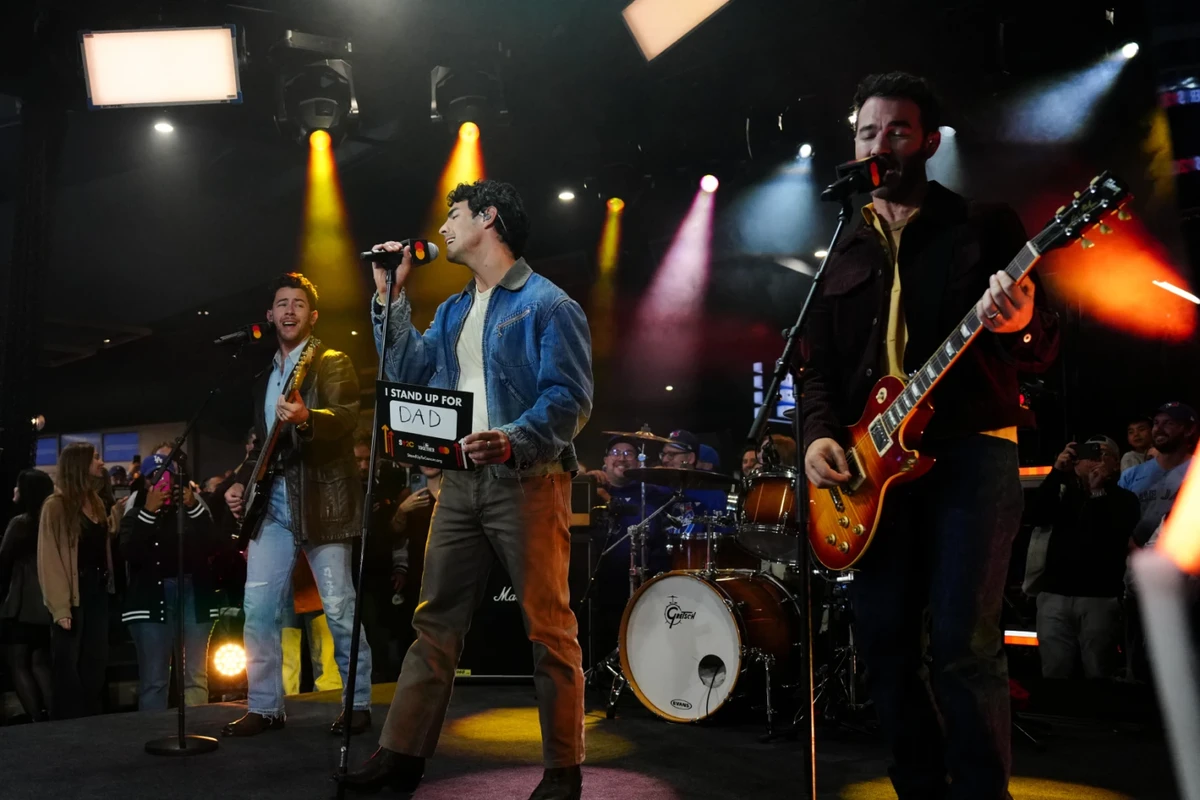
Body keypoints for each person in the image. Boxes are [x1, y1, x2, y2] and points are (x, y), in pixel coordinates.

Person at [800, 72, 1059, 800]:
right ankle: (919, 787)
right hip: (872, 469)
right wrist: (822, 435)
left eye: (897, 131)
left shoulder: (983, 225)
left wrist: (1018, 321)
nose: (879, 143)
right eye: (866, 132)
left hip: (971, 450)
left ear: (931, 142)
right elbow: (813, 365)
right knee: (881, 642)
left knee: (962, 645)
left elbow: (1044, 343)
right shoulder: (843, 244)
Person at [345, 179, 592, 800]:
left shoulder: (548, 305)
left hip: (527, 480)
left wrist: (511, 438)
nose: (444, 228)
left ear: (489, 219)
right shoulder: (453, 309)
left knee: (549, 627)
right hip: (458, 484)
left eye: (454, 216)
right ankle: (401, 755)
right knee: (435, 623)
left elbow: (570, 399)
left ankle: (563, 769)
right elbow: (406, 373)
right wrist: (389, 296)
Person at [221, 272, 373, 738]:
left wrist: (309, 419)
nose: (289, 311)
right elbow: (260, 444)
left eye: (298, 304)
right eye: (281, 303)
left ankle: (358, 701)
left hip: (322, 499)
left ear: (313, 315)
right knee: (259, 607)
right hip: (273, 503)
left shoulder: (331, 362)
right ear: (269, 315)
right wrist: (240, 483)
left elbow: (347, 419)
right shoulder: (263, 377)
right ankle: (265, 706)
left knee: (339, 606)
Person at [1027, 437, 1138, 679]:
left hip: (1099, 598)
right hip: (1054, 595)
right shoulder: (1064, 494)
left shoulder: (1125, 500)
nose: (1093, 460)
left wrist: (1098, 492)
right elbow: (1035, 514)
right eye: (1088, 453)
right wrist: (1057, 471)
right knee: (1055, 670)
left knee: (1099, 671)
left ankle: (1098, 717)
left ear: (1116, 464)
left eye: (1102, 454)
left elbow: (1107, 534)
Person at [119, 454, 223, 710]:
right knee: (155, 680)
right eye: (155, 477)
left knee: (196, 676)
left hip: (193, 593)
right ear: (145, 482)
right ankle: (153, 735)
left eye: (168, 476)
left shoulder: (192, 510)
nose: (163, 483)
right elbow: (129, 553)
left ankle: (198, 730)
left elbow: (214, 544)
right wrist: (149, 511)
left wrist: (192, 504)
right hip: (154, 600)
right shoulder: (135, 515)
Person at [37, 442, 120, 719]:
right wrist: (60, 607)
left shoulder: (95, 502)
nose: (101, 462)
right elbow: (50, 559)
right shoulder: (56, 506)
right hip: (73, 595)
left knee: (95, 664)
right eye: (95, 457)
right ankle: (67, 731)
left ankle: (90, 727)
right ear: (79, 464)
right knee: (68, 669)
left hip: (97, 591)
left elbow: (101, 538)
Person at [1117, 401, 1197, 680]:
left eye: (1169, 423)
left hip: (1187, 583)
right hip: (1137, 579)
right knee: (1139, 661)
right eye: (1157, 423)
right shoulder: (1131, 475)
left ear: (1188, 430)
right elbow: (1116, 523)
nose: (1159, 429)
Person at [0, 469, 56, 721]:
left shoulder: (19, 524)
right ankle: (54, 717)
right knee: (40, 662)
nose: (14, 491)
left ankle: (36, 719)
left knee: (18, 663)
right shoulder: (51, 521)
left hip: (21, 605)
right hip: (46, 605)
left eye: (18, 487)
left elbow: (3, 561)